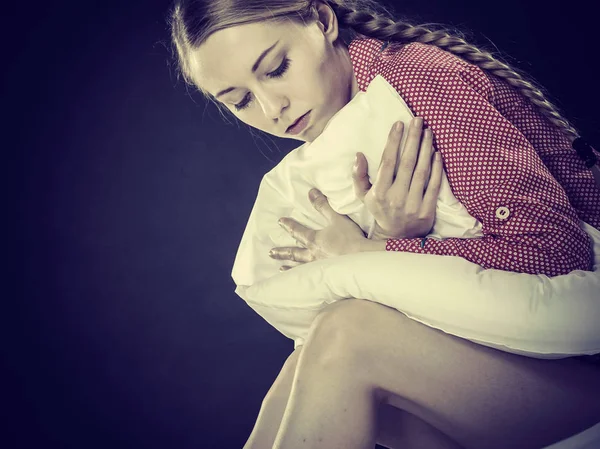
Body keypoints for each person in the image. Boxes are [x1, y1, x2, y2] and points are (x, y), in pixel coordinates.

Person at [167, 0, 600, 448]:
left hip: (585, 369)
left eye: (277, 68)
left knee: (349, 334)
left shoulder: (417, 82)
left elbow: (556, 252)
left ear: (322, 21)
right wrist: (390, 239)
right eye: (240, 101)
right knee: (309, 363)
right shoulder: (346, 131)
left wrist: (373, 254)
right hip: (520, 375)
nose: (272, 108)